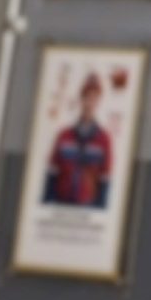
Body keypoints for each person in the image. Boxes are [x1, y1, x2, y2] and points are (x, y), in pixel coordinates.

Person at [42, 74, 112, 208]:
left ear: (98, 102)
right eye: (87, 97)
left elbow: (105, 178)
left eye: (94, 98)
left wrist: (99, 212)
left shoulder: (104, 140)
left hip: (88, 207)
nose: (89, 103)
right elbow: (52, 172)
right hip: (60, 205)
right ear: (81, 99)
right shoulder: (64, 136)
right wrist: (48, 205)